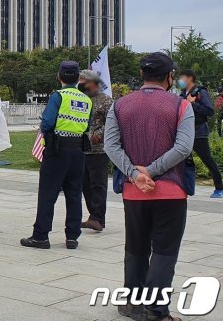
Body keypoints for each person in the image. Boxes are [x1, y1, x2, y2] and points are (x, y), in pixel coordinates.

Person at [104, 52, 194, 321]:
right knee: (164, 252)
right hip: (171, 191)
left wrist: (134, 174)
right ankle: (156, 311)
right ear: (169, 77)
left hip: (134, 192)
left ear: (142, 75)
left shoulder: (119, 106)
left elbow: (111, 145)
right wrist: (151, 172)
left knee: (136, 249)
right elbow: (184, 147)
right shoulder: (180, 106)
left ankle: (133, 304)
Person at [20, 61, 92, 250]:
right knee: (74, 194)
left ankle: (41, 236)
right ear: (78, 79)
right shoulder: (86, 99)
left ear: (59, 77)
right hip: (78, 150)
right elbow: (89, 125)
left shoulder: (58, 96)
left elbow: (48, 122)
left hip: (57, 149)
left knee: (48, 194)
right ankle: (72, 236)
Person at [178, 69, 223, 198]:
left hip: (199, 132)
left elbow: (210, 111)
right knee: (180, 159)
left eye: (182, 78)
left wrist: (193, 104)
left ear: (190, 79)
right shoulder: (182, 94)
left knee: (207, 159)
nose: (180, 81)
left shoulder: (201, 92)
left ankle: (219, 188)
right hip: (184, 131)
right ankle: (182, 186)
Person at [78, 70, 113, 231]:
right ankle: (93, 215)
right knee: (85, 184)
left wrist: (99, 134)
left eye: (83, 80)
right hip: (81, 148)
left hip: (98, 150)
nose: (81, 83)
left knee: (98, 184)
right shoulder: (80, 100)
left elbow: (113, 123)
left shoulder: (106, 101)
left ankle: (99, 218)